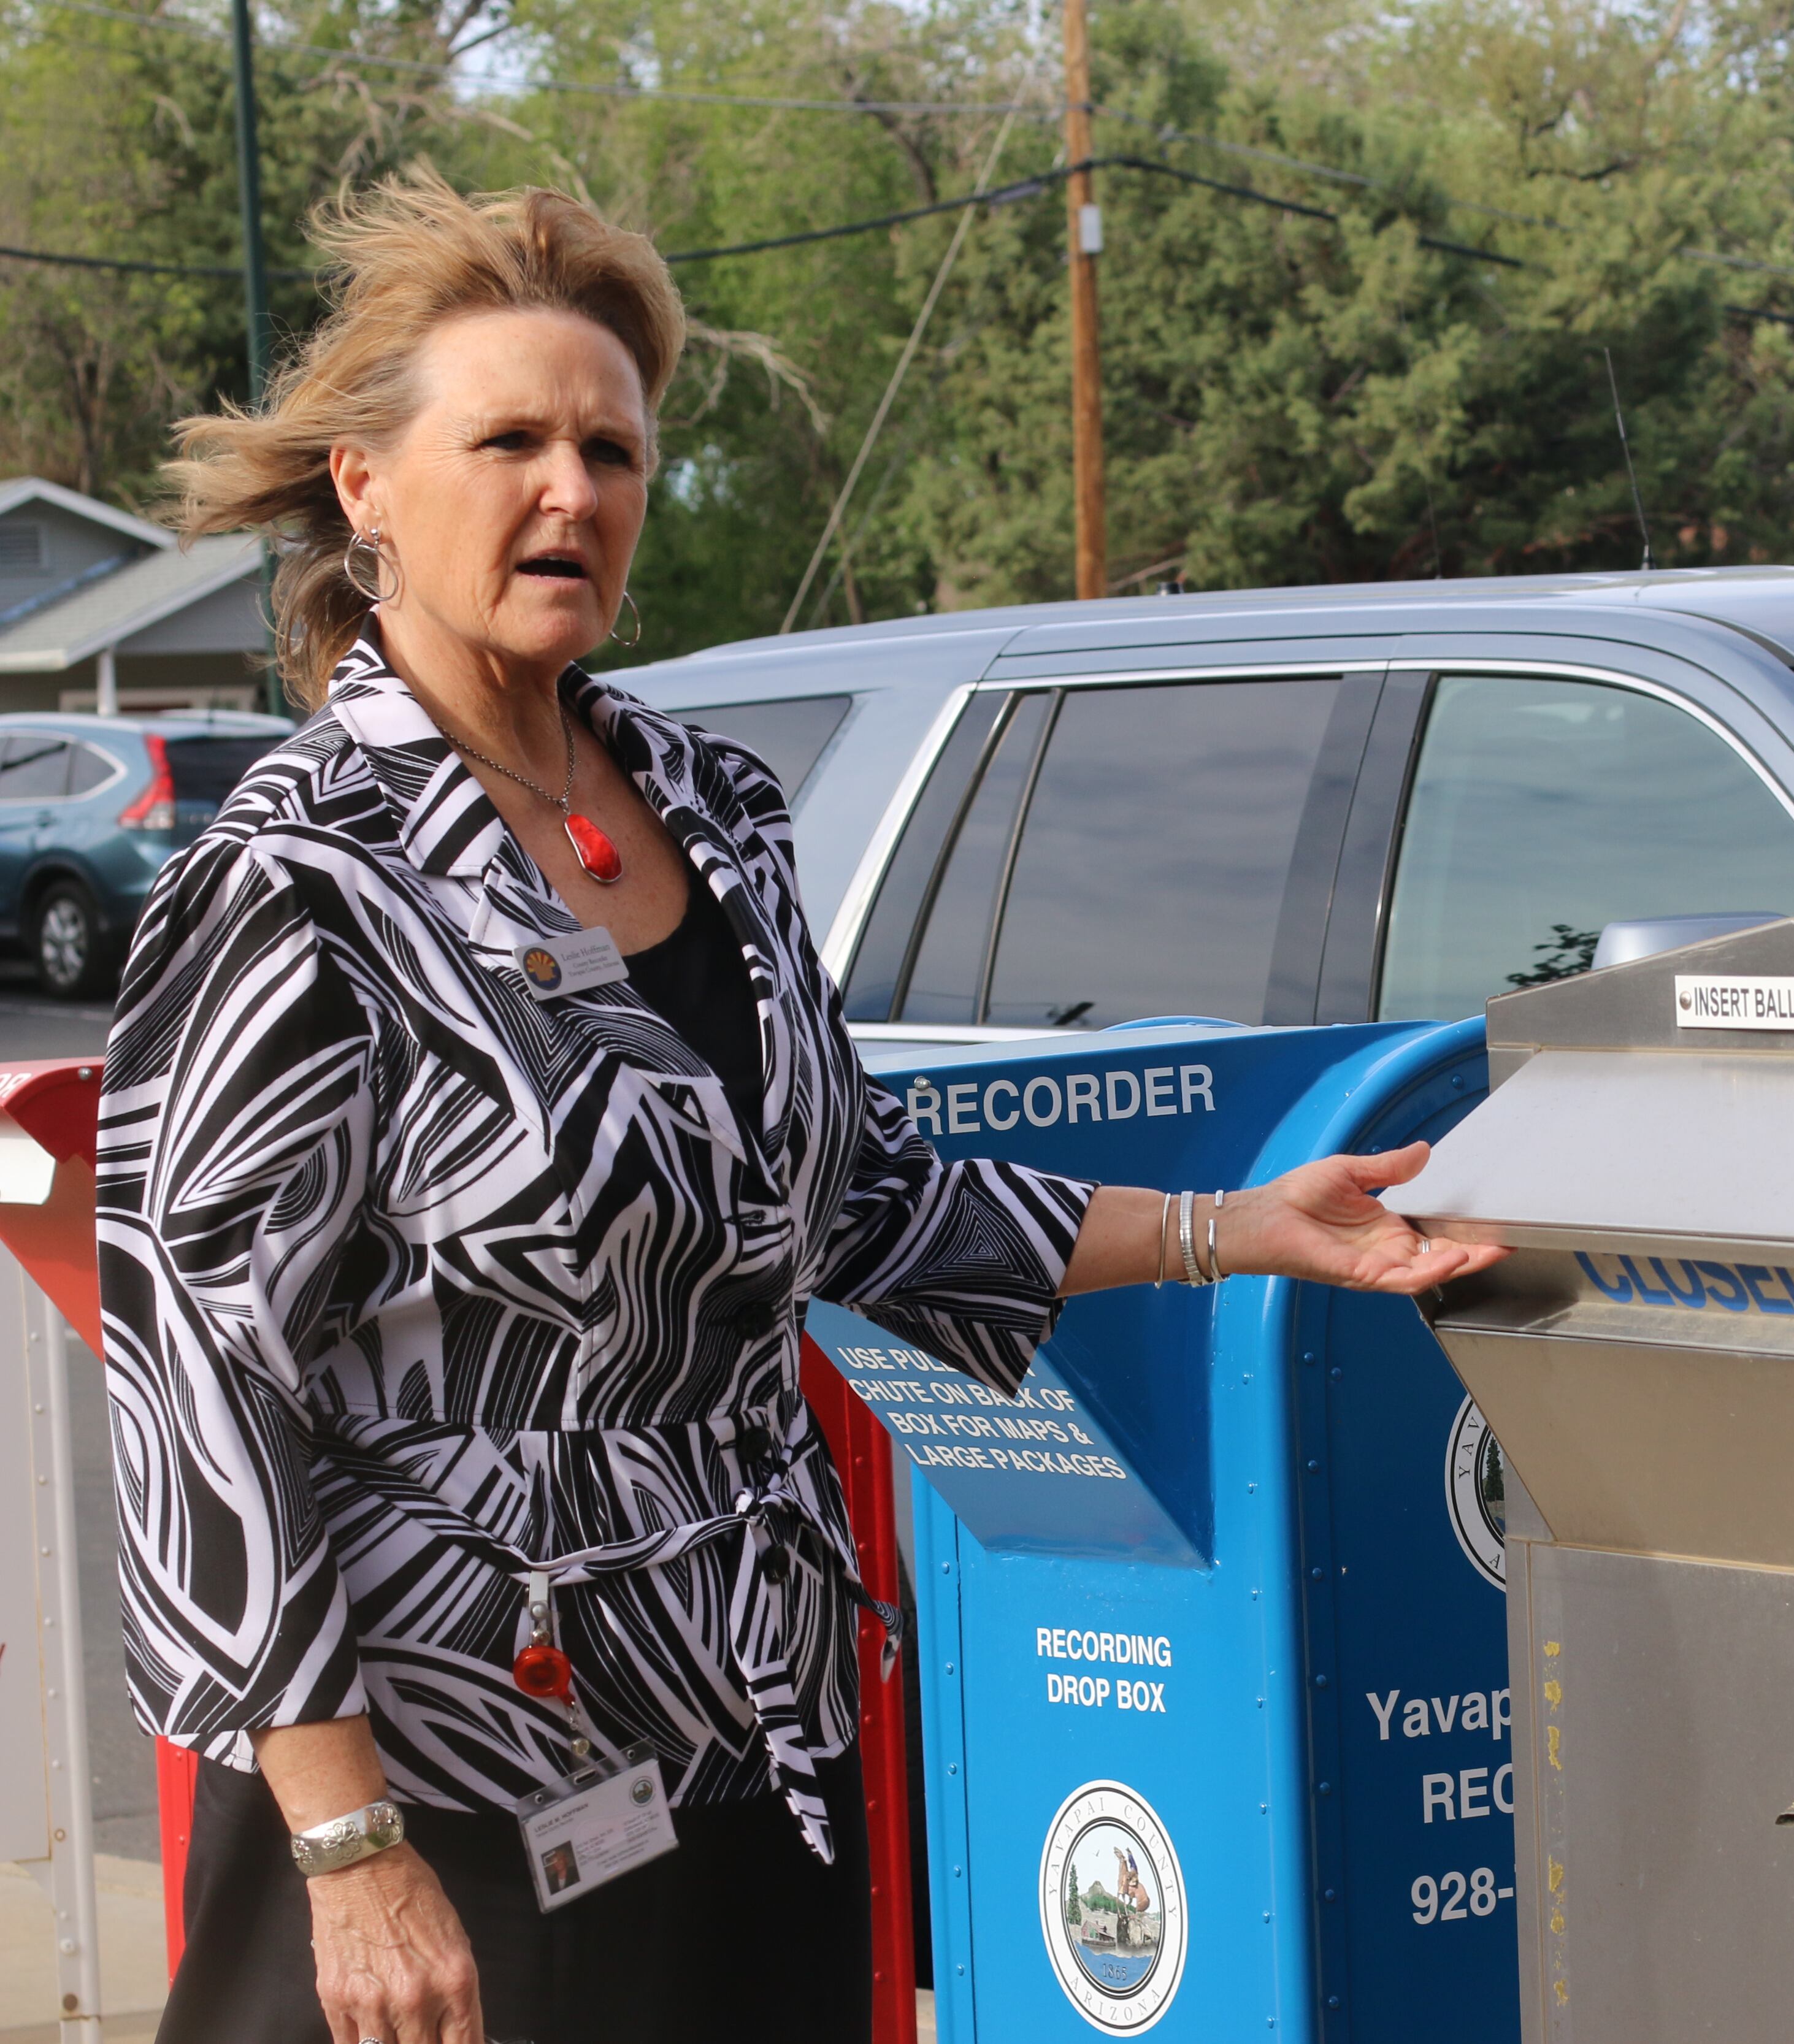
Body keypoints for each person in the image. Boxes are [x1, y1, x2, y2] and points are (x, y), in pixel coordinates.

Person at [109, 171, 1500, 2044]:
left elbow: (851, 1201)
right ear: (365, 486)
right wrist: (347, 1842)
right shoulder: (296, 878)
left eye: (611, 447)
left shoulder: (711, 801)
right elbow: (202, 1373)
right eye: (506, 438)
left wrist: (1232, 1230)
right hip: (446, 1761)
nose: (571, 491)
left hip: (746, 1719)